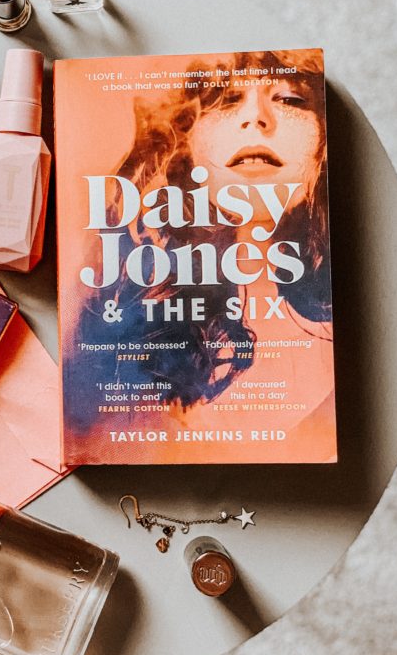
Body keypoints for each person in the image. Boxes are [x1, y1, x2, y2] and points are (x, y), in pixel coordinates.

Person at [65, 49, 333, 430]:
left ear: (323, 140)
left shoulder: (338, 325)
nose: (256, 118)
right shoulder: (127, 309)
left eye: (289, 100)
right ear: (186, 144)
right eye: (227, 101)